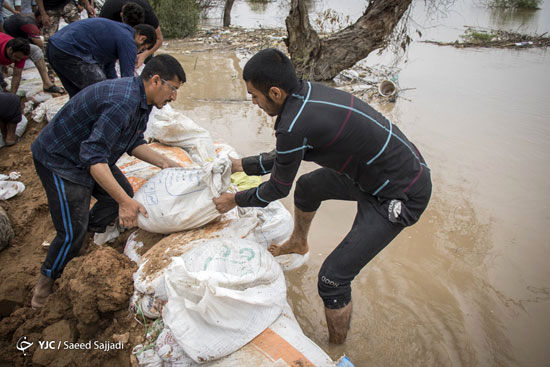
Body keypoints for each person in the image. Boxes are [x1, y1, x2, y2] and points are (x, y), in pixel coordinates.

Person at [213, 48, 432, 344]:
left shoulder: (292, 125)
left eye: (254, 95)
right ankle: (299, 242)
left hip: (400, 194)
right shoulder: (307, 95)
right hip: (376, 172)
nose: (253, 102)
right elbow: (287, 157)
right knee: (308, 187)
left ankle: (336, 348)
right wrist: (243, 165)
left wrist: (233, 200)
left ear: (275, 92)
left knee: (332, 279)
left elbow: (277, 188)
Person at [30, 54, 186, 308]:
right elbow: (94, 161)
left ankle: (84, 239)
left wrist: (165, 163)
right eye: (173, 89)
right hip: (60, 159)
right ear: (156, 81)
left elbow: (133, 142)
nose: (173, 97)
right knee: (70, 232)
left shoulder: (142, 102)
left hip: (85, 155)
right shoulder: (123, 102)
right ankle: (43, 288)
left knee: (118, 194)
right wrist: (125, 203)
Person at [46, 17, 156, 97]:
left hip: (54, 47)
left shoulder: (119, 32)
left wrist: (115, 88)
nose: (139, 52)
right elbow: (127, 80)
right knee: (102, 92)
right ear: (142, 38)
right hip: (70, 51)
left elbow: (109, 69)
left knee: (77, 97)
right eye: (142, 49)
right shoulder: (129, 41)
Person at [3, 13, 64, 93]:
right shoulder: (30, 25)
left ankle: (47, 84)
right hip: (7, 35)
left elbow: (17, 75)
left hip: (10, 36)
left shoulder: (20, 52)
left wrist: (12, 98)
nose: (18, 60)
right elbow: (39, 43)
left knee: (35, 50)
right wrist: (45, 57)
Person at [100, 0, 162, 68]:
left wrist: (144, 55)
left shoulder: (147, 12)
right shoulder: (109, 11)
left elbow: (159, 39)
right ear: (121, 15)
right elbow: (100, 41)